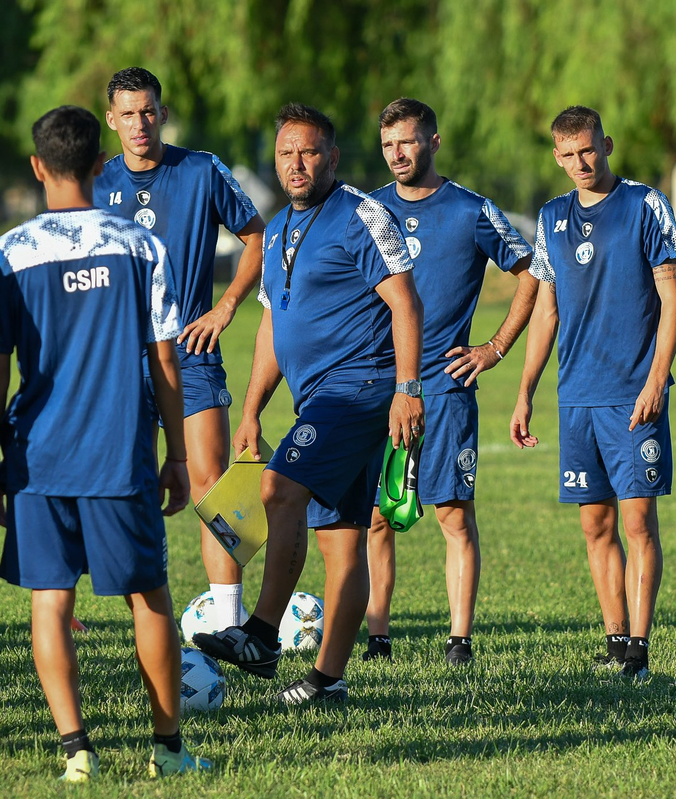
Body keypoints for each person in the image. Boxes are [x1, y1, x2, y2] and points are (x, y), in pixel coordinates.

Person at [0, 105, 209, 782]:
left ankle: (77, 752)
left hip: (38, 456)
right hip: (119, 453)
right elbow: (165, 362)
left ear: (36, 166)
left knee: (50, 600)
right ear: (101, 166)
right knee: (149, 597)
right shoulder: (140, 246)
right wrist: (178, 455)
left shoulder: (6, 254)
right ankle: (168, 751)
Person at [193, 103, 424, 705]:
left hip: (361, 387)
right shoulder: (276, 230)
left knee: (279, 488)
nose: (296, 163)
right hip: (316, 398)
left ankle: (262, 635)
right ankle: (327, 681)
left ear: (333, 157)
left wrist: (408, 390)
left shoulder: (362, 215)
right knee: (341, 541)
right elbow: (273, 324)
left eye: (309, 152)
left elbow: (406, 303)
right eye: (286, 153)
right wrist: (251, 409)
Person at [511, 105, 676, 681]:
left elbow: (673, 299)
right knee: (595, 526)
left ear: (606, 144)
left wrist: (657, 377)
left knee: (638, 524)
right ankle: (614, 640)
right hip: (577, 397)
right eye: (567, 154)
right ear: (556, 157)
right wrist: (526, 390)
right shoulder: (551, 217)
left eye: (587, 150)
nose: (580, 163)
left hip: (633, 394)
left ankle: (639, 648)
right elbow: (546, 309)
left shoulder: (644, 205)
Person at [362, 98, 538, 665]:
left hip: (445, 387)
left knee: (453, 515)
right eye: (388, 145)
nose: (397, 154)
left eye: (407, 142)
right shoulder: (367, 210)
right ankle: (377, 639)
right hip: (379, 388)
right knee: (376, 515)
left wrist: (495, 347)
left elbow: (533, 273)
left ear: (433, 143)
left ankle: (459, 642)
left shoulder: (470, 210)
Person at [95, 67, 265, 631]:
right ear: (112, 119)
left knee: (211, 483)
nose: (139, 123)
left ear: (162, 113)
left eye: (148, 111)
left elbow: (258, 237)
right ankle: (151, 622)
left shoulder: (202, 169)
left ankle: (230, 623)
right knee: (131, 489)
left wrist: (226, 306)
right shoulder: (95, 182)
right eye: (128, 114)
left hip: (191, 352)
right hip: (120, 361)